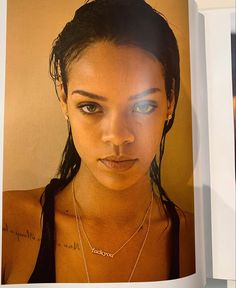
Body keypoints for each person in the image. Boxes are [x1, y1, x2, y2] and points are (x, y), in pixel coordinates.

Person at [2, 0, 195, 283]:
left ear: (170, 101)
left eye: (143, 107)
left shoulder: (200, 240)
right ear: (64, 100)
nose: (118, 136)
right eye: (91, 107)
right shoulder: (8, 225)